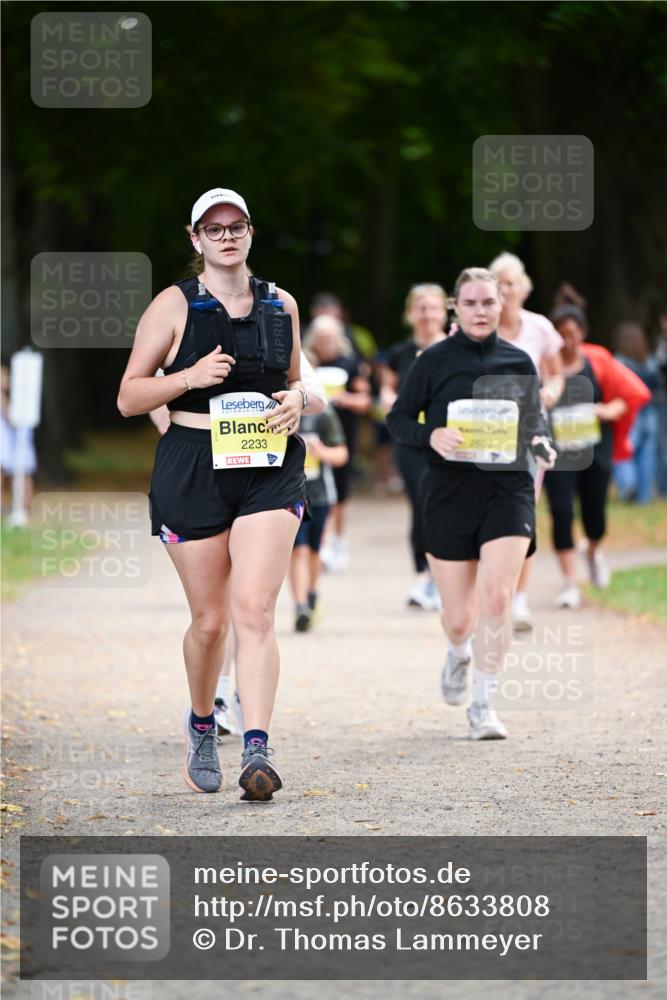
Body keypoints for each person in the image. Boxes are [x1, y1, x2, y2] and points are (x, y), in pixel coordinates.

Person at [118, 187, 310, 801]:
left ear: (251, 233)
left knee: (254, 609)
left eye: (237, 225)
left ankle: (258, 746)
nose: (227, 235)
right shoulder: (172, 307)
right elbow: (129, 397)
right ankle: (203, 723)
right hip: (193, 464)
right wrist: (188, 378)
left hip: (268, 467)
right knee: (210, 621)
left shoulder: (282, 305)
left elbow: (301, 384)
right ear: (196, 239)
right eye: (214, 227)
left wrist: (300, 399)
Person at [387, 267, 556, 741]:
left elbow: (536, 423)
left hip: (508, 490)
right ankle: (460, 653)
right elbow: (397, 419)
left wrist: (543, 444)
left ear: (501, 306)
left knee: (498, 597)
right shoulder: (433, 361)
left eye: (489, 302)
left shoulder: (519, 361)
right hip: (448, 492)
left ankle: (484, 703)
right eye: (471, 303)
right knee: (460, 617)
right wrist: (430, 435)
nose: (480, 311)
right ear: (455, 309)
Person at [545, 302, 651, 607]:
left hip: (594, 451)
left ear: (583, 334)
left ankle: (592, 551)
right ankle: (569, 584)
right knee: (562, 514)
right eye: (562, 335)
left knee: (596, 519)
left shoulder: (598, 360)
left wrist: (603, 410)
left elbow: (630, 396)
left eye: (573, 335)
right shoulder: (543, 363)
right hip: (557, 453)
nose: (568, 342)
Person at [489, 252, 565, 632]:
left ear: (524, 288)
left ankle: (518, 598)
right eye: (498, 283)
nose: (505, 290)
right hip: (485, 431)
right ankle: (488, 595)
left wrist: (549, 393)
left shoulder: (540, 328)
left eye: (511, 282)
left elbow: (556, 375)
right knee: (483, 510)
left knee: (522, 513)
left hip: (530, 432)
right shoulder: (475, 328)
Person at [381, 284, 448, 610]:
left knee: (445, 504)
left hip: (449, 439)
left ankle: (447, 574)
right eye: (421, 308)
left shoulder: (454, 349)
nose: (427, 314)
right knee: (421, 503)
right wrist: (391, 401)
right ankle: (424, 575)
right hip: (411, 440)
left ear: (444, 312)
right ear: (411, 313)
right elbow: (387, 390)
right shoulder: (400, 353)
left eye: (433, 308)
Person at [302, 314, 372, 571]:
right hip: (309, 429)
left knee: (339, 490)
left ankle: (337, 542)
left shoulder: (351, 363)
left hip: (342, 430)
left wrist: (344, 399)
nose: (327, 342)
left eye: (331, 337)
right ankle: (319, 542)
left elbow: (365, 401)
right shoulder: (307, 362)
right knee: (311, 484)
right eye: (322, 338)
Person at [289, 403, 348, 631]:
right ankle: (300, 605)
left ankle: (312, 592)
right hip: (289, 494)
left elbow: (342, 454)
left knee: (314, 550)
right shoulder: (274, 408)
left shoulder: (323, 413)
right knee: (298, 549)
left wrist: (322, 452)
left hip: (320, 494)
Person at [612, 322, 660, 504]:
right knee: (647, 455)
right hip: (649, 412)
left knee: (625, 450)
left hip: (631, 412)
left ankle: (627, 487)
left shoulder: (618, 362)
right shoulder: (648, 361)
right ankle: (644, 496)